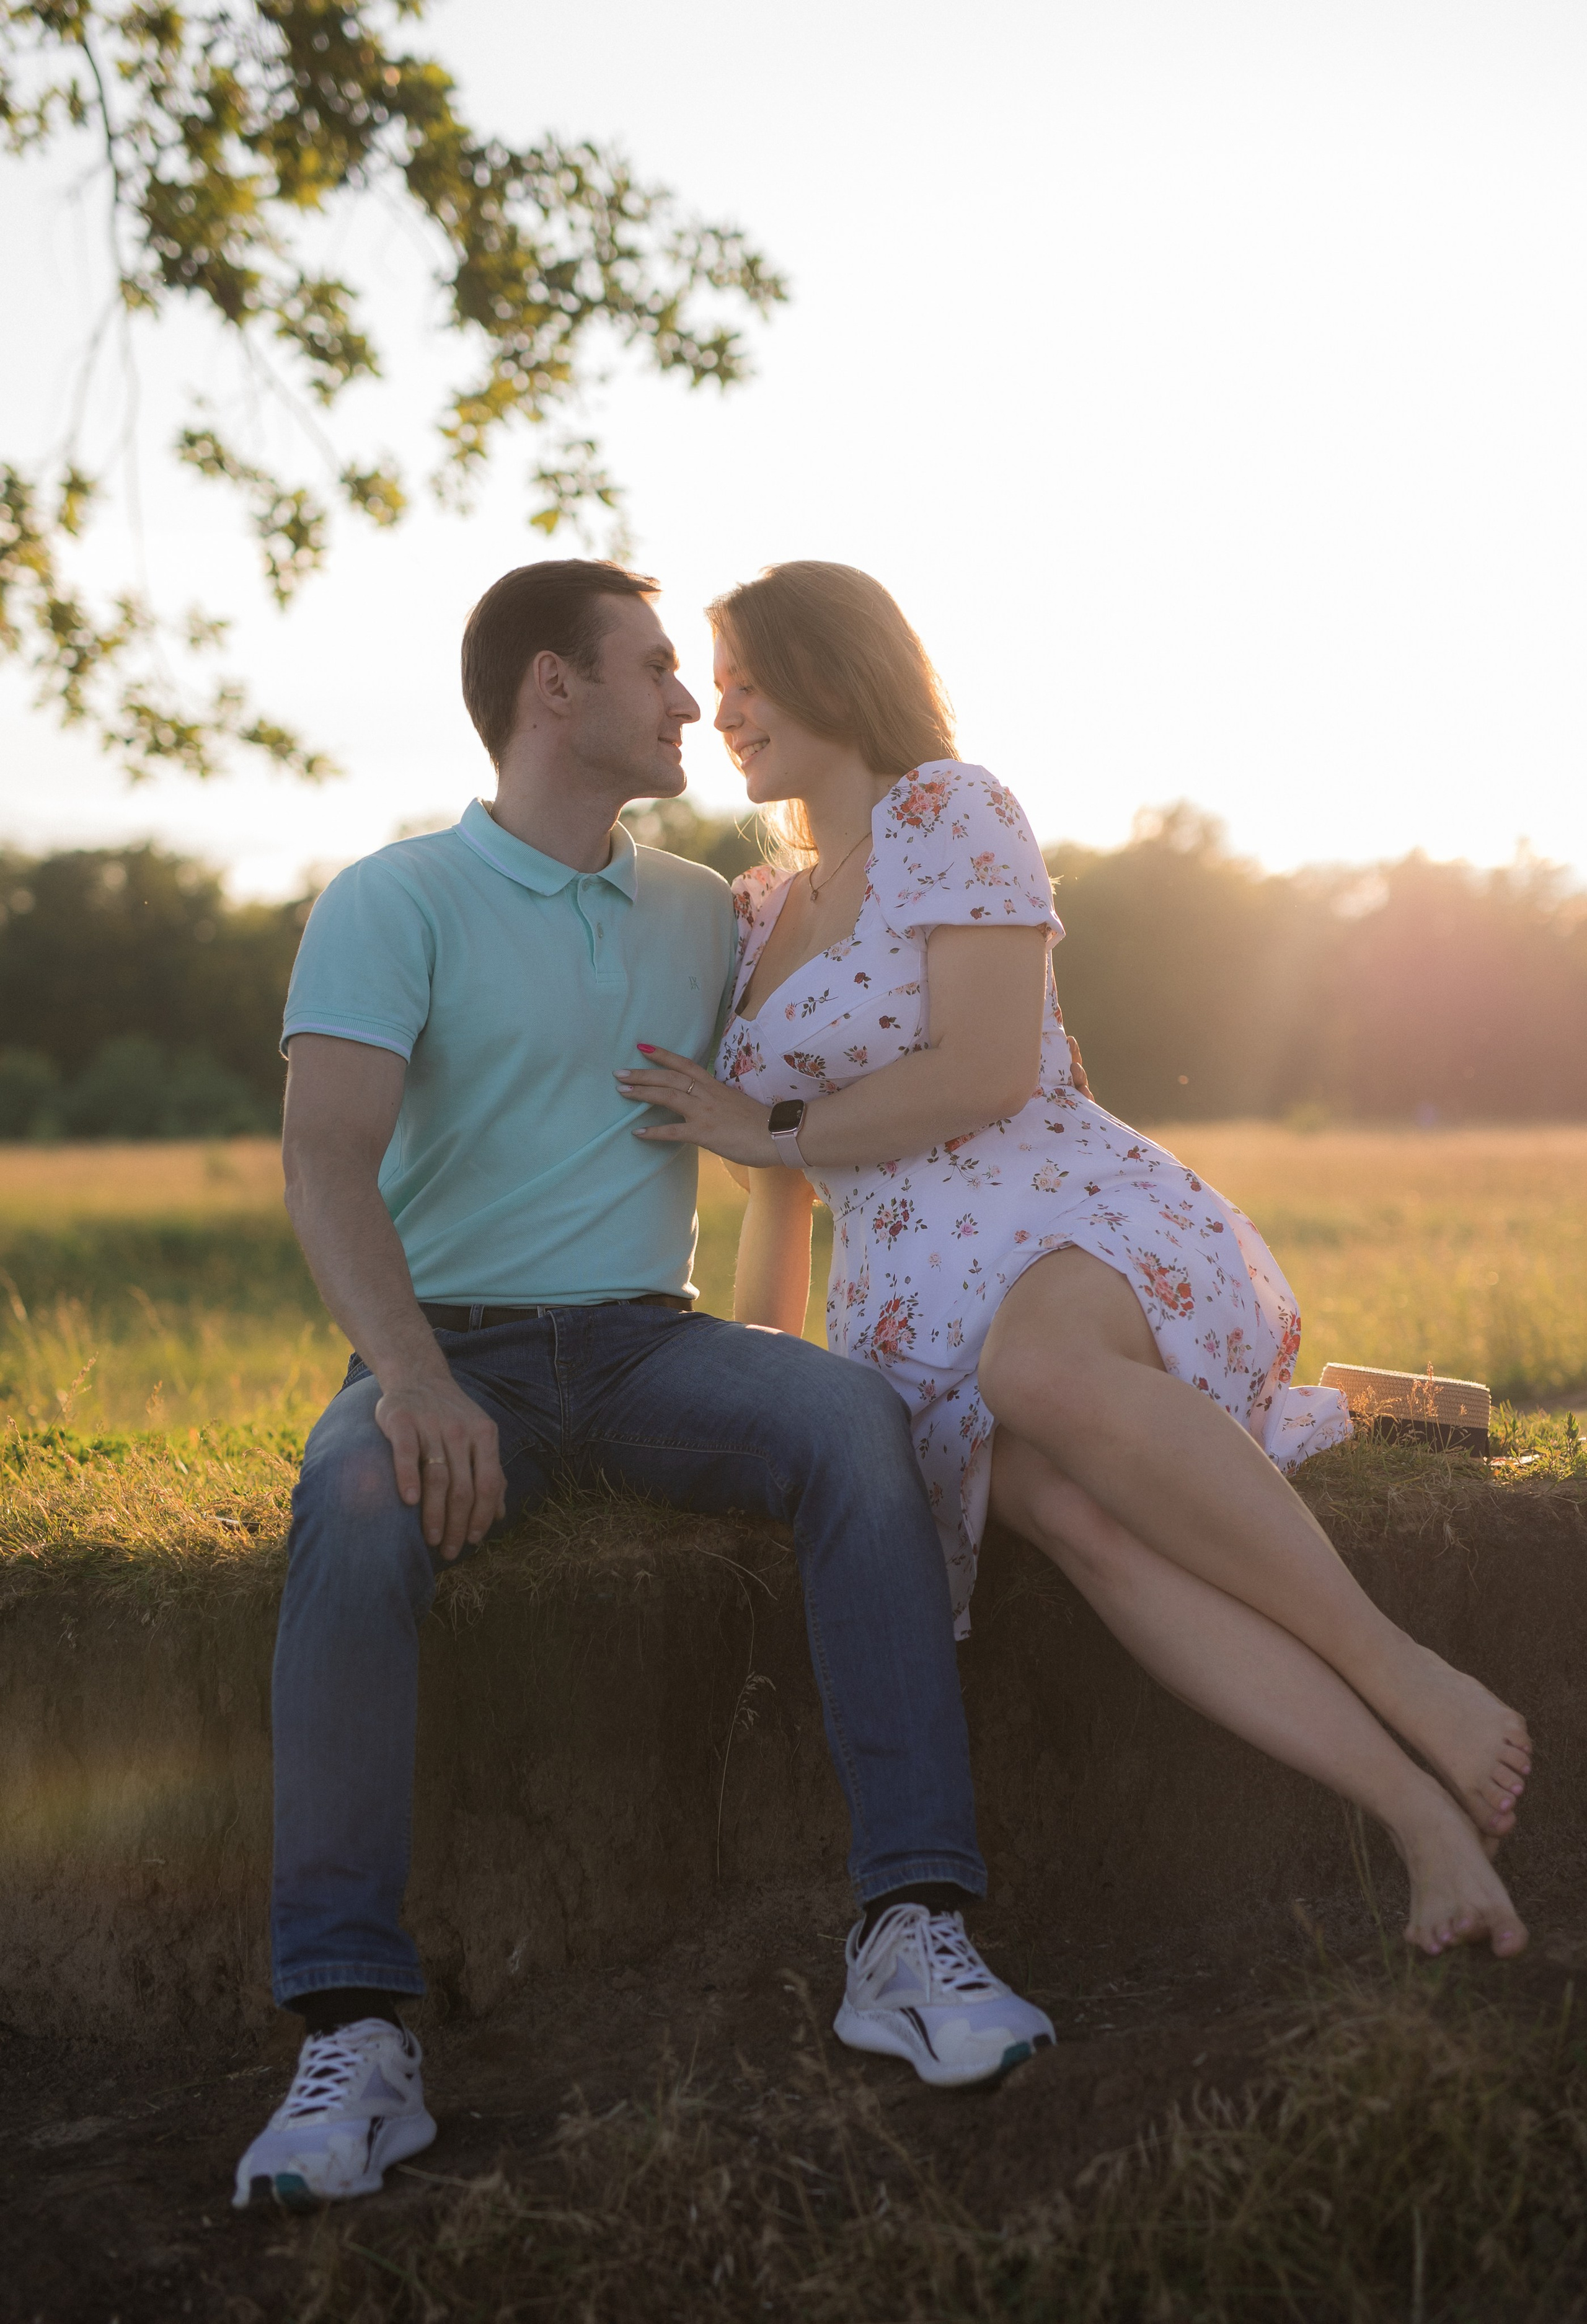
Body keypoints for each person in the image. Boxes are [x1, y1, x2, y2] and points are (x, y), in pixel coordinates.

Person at [233, 560, 1054, 2214]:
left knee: (848, 1422)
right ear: (555, 690)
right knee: (349, 1503)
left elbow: (872, 1015)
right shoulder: (391, 901)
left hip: (645, 1342)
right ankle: (354, 2028)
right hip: (450, 1341)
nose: (694, 702)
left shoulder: (709, 909)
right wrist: (409, 1377)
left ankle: (911, 1926)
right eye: (659, 669)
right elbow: (324, 1162)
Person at [615, 559, 1534, 1967]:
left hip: (1063, 1216)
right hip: (905, 1311)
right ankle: (1419, 1819)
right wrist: (767, 1393)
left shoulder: (951, 808)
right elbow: (775, 1195)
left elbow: (983, 1068)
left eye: (743, 676)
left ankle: (1411, 1676)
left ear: (832, 667)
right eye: (712, 683)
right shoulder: (751, 911)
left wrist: (778, 1126)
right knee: (1077, 1518)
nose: (720, 709)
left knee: (1036, 1365)